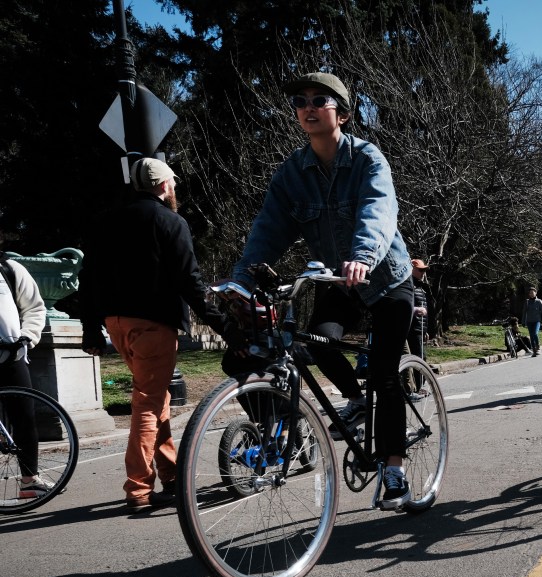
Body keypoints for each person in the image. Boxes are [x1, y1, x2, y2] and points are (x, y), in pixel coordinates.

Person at [230, 71, 414, 510]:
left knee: (386, 374)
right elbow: (268, 231)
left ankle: (394, 469)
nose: (308, 107)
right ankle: (353, 401)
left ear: (344, 114)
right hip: (339, 280)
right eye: (300, 101)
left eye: (319, 100)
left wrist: (364, 256)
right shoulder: (292, 174)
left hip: (385, 277)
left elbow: (377, 209)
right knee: (316, 344)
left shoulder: (369, 159)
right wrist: (241, 279)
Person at [80, 157, 236, 510]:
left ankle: (172, 475)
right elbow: (190, 283)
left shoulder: (103, 223)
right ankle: (137, 489)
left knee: (156, 397)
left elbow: (87, 280)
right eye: (173, 184)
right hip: (153, 324)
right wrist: (223, 325)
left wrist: (91, 330)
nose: (175, 189)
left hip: (115, 323)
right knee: (148, 404)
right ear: (165, 185)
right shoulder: (171, 221)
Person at [0, 252, 49, 498]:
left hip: (11, 354)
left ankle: (30, 481)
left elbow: (34, 307)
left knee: (24, 418)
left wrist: (27, 337)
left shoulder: (9, 268)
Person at [408, 258, 430, 361]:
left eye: (424, 270)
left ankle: (420, 377)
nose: (423, 273)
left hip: (419, 330)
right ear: (412, 269)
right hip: (411, 330)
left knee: (421, 358)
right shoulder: (409, 285)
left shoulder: (419, 286)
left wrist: (424, 331)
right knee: (419, 359)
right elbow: (404, 306)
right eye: (420, 270)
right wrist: (415, 309)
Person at [521, 286, 542, 357]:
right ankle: (534, 351)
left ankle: (538, 346)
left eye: (532, 292)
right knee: (531, 336)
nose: (531, 294)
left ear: (535, 293)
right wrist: (523, 322)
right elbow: (524, 312)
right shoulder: (527, 302)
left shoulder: (539, 301)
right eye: (530, 293)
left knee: (535, 333)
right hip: (529, 322)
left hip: (537, 321)